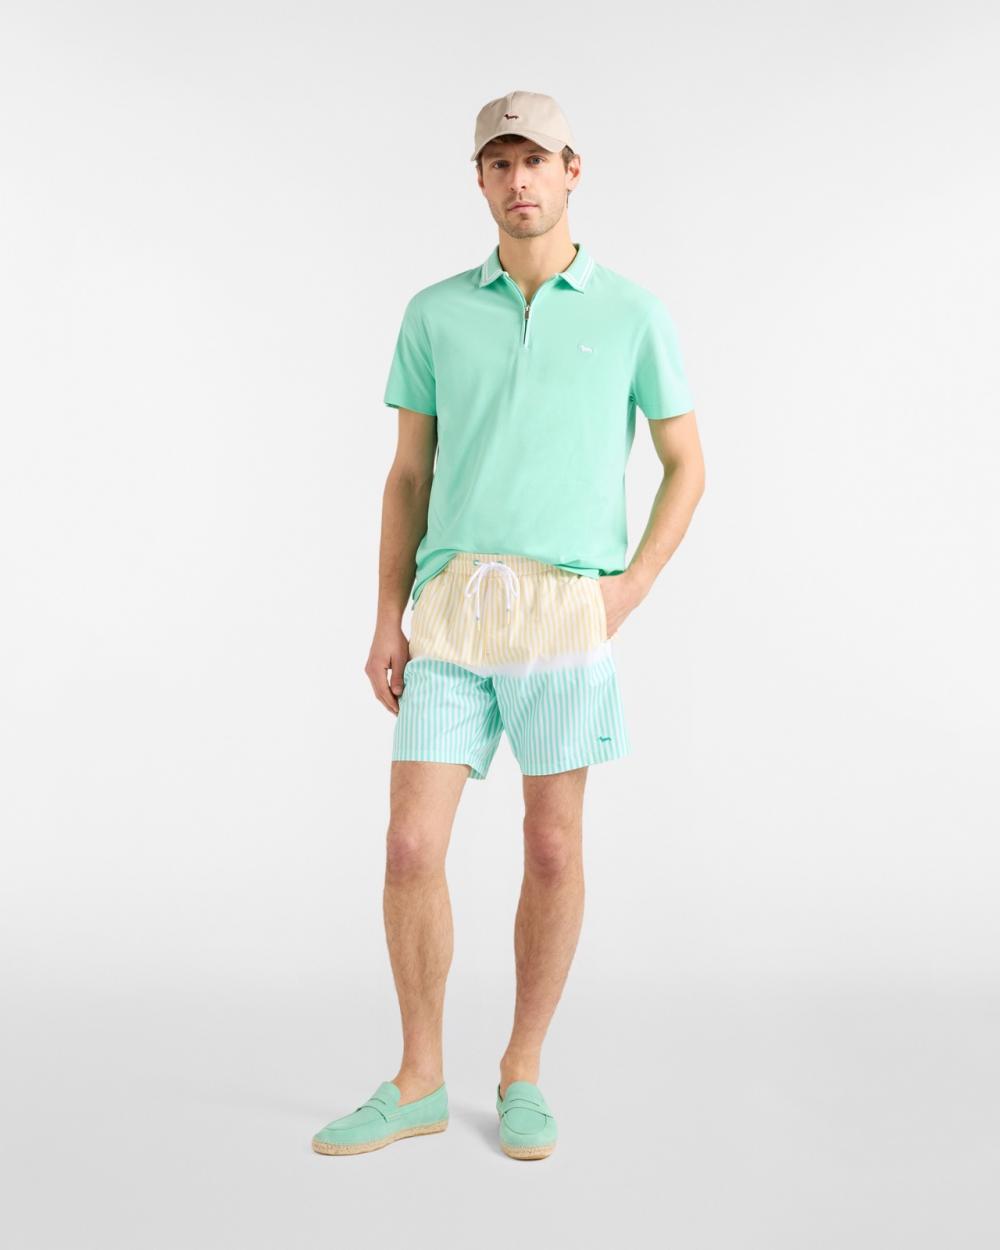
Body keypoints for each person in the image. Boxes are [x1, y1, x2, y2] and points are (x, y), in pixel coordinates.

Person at [312, 89, 705, 1161]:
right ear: (480, 179)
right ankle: (419, 1079)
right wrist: (385, 617)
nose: (519, 179)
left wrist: (627, 589)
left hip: (565, 610)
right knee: (410, 844)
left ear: (573, 169)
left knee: (551, 843)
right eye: (500, 163)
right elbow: (408, 475)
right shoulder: (434, 313)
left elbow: (686, 465)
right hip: (450, 608)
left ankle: (522, 1068)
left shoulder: (633, 313)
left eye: (536, 159)